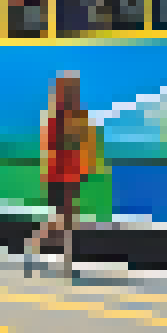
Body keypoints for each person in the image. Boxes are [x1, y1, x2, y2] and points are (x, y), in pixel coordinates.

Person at [23, 72, 101, 280]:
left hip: (73, 174)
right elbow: (51, 146)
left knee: (67, 220)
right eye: (69, 88)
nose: (73, 92)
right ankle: (40, 251)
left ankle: (57, 258)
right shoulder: (53, 116)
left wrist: (86, 169)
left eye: (74, 88)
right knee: (63, 220)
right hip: (57, 175)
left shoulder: (79, 116)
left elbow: (87, 144)